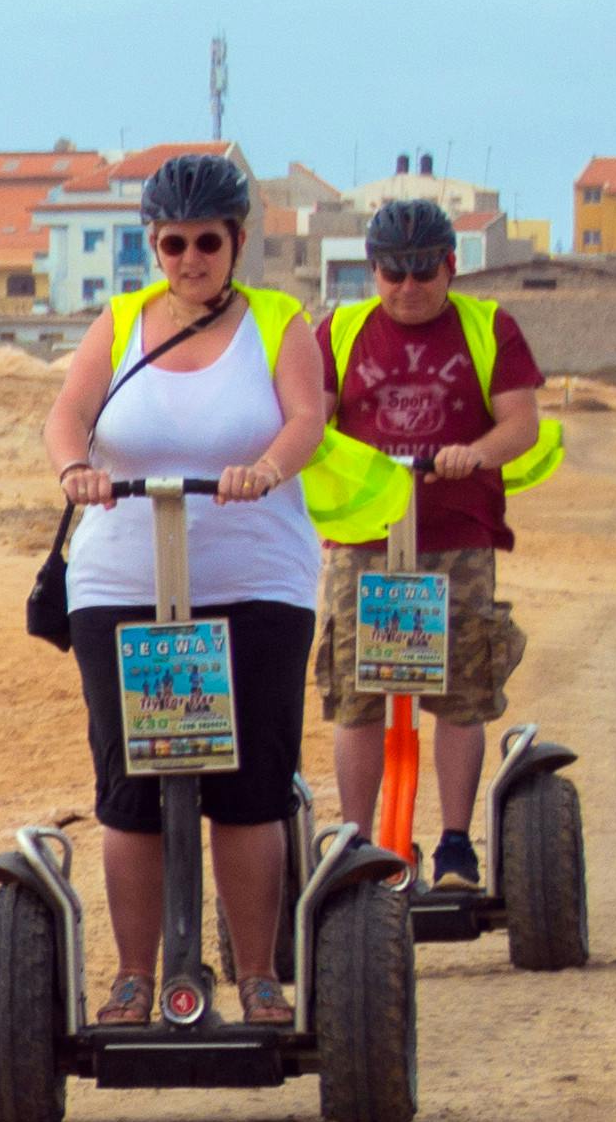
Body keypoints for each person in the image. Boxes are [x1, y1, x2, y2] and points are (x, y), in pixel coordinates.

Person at [43, 149, 327, 1024]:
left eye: (208, 241)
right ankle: (136, 977)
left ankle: (258, 975)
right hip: (123, 577)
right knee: (129, 785)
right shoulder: (119, 322)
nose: (190, 259)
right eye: (173, 244)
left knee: (249, 782)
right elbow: (67, 416)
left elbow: (307, 417)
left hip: (255, 578)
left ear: (237, 241)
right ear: (153, 245)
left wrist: (268, 468)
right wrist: (75, 470)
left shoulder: (280, 323)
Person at [304, 197, 556, 883]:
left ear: (450, 266)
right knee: (357, 691)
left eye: (422, 272)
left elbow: (521, 424)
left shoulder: (487, 327)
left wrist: (474, 452)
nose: (408, 287)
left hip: (457, 533)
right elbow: (310, 422)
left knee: (459, 689)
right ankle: (358, 843)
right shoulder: (341, 331)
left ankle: (452, 843)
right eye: (392, 273)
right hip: (364, 538)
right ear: (373, 270)